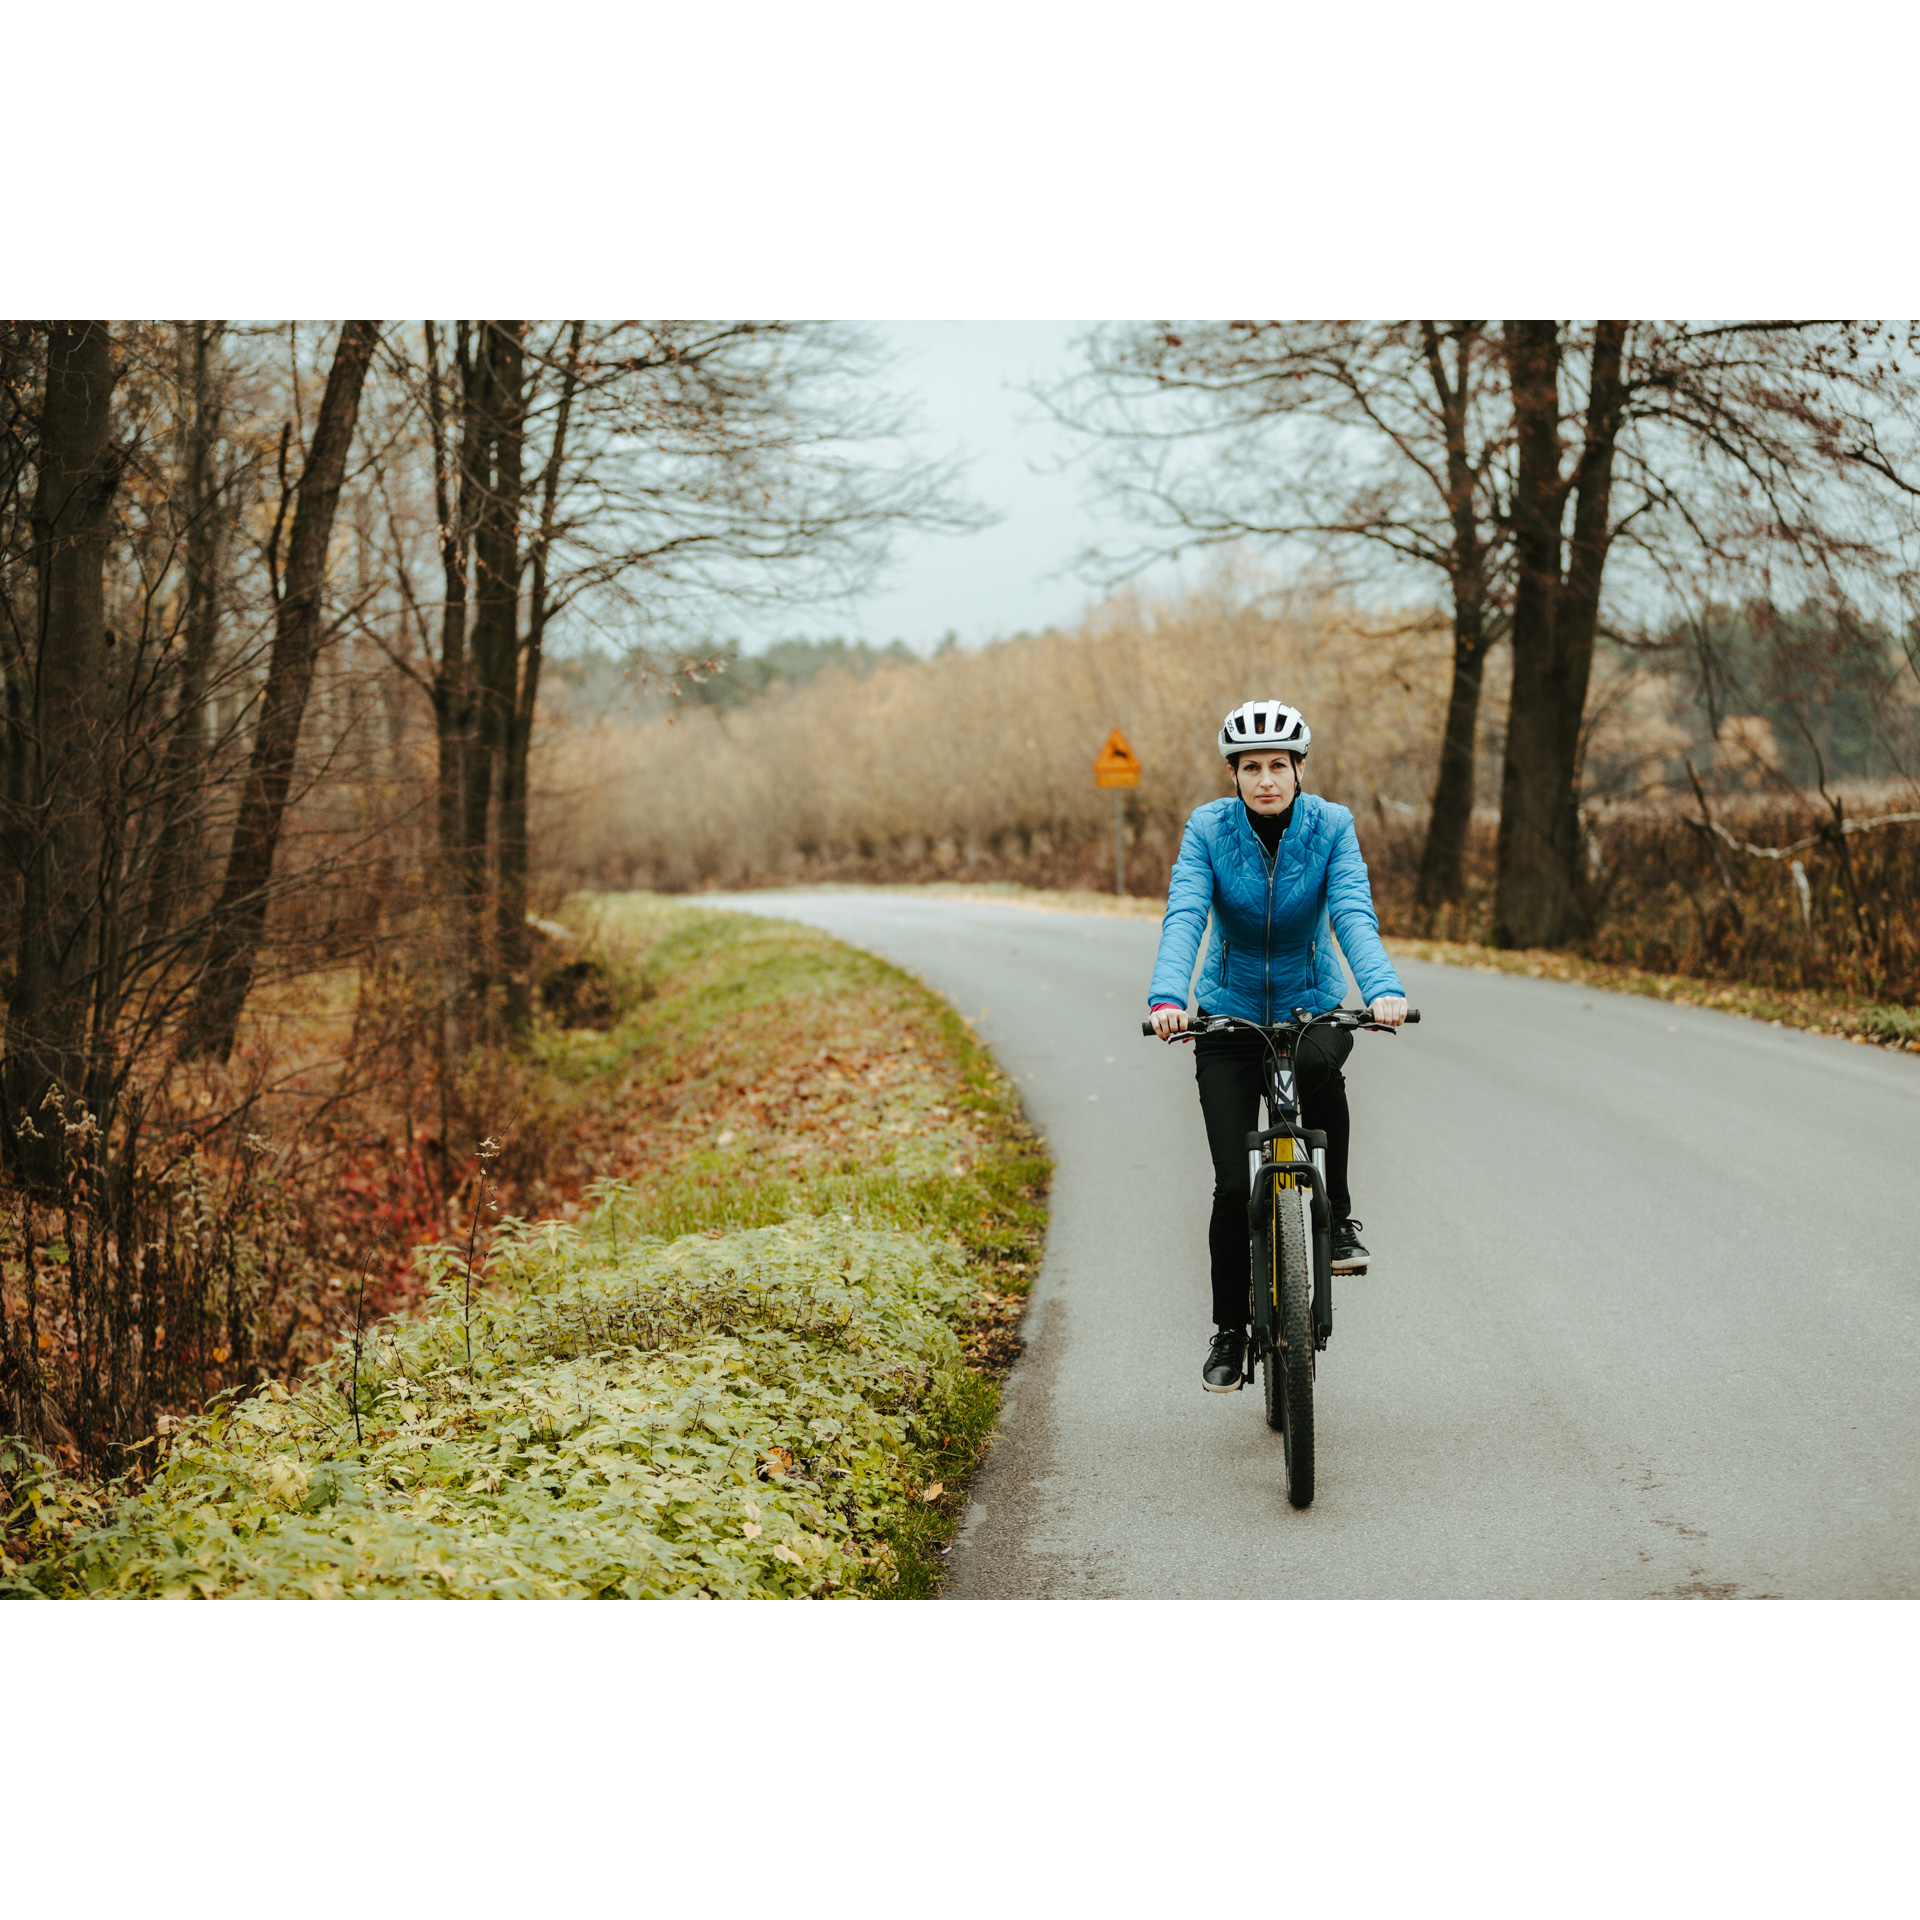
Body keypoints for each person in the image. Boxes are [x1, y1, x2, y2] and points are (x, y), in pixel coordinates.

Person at [1147, 699, 1407, 1393]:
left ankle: (1340, 1219)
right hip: (1228, 1017)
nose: (1266, 779)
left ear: (1298, 769)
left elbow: (1352, 910)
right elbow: (1186, 914)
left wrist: (1381, 989)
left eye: (1278, 765)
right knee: (1235, 1185)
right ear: (1234, 775)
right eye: (1252, 767)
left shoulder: (1332, 827)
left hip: (1309, 1003)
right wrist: (1169, 1000)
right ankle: (1230, 1330)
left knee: (1322, 1068)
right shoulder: (1207, 829)